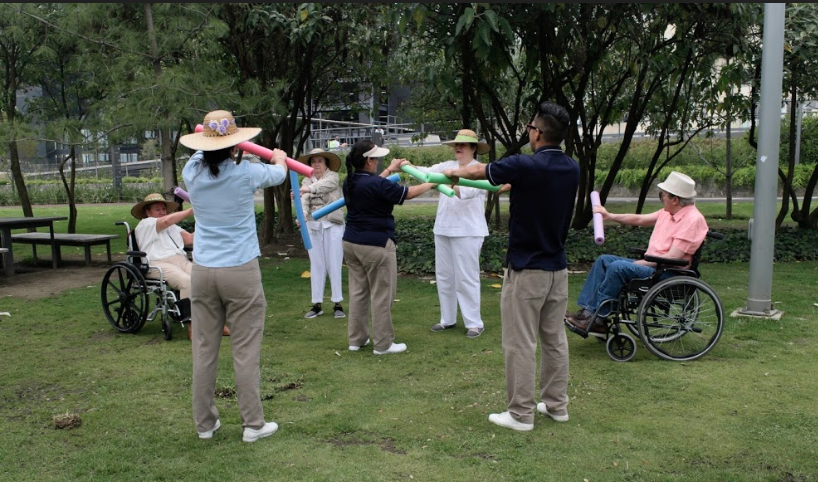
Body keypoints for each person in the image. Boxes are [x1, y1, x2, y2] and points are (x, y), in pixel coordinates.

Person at [443, 101, 579, 431]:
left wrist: (452, 172)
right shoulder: (571, 168)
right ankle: (557, 405)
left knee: (519, 342)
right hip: (557, 270)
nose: (528, 132)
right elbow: (505, 182)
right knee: (554, 339)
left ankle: (520, 414)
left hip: (527, 270)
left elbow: (480, 171)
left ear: (539, 133)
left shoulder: (526, 165)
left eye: (531, 127)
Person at [179, 109, 288, 443]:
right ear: (235, 144)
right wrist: (281, 157)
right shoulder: (247, 172)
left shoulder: (191, 171)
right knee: (244, 349)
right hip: (239, 269)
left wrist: (216, 138)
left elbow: (203, 152)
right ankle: (253, 425)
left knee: (204, 348)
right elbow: (280, 174)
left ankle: (204, 424)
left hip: (203, 270)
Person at [564, 171, 709, 336]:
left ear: (675, 199)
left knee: (617, 267)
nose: (661, 198)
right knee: (604, 260)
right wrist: (610, 216)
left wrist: (643, 263)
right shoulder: (669, 212)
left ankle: (598, 318)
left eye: (663, 196)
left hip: (667, 272)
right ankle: (587, 312)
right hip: (655, 264)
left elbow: (673, 258)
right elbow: (640, 219)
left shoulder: (692, 220)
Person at [342, 139, 435, 355]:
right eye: (376, 158)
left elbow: (375, 185)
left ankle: (356, 340)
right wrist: (433, 182)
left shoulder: (351, 181)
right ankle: (383, 344)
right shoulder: (376, 184)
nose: (378, 162)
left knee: (358, 293)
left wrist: (390, 170)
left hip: (351, 244)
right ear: (370, 161)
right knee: (382, 294)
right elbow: (408, 193)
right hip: (376, 245)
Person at [403, 129, 490, 338]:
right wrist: (407, 165)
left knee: (466, 277)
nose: (458, 148)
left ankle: (474, 323)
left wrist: (441, 181)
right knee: (444, 277)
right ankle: (447, 319)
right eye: (455, 145)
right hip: (443, 228)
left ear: (473, 148)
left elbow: (464, 192)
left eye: (463, 145)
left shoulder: (478, 170)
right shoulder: (446, 166)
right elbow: (425, 171)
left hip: (468, 231)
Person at [131, 193, 218, 341]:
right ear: (147, 212)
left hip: (181, 261)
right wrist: (192, 210)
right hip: (157, 264)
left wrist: (206, 224)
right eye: (157, 209)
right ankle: (192, 326)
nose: (162, 212)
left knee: (207, 277)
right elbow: (164, 221)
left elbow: (190, 239)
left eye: (164, 209)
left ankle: (215, 323)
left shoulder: (172, 227)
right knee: (186, 281)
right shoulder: (145, 224)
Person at [294, 148, 346, 320]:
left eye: (319, 161)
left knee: (334, 263)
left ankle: (338, 303)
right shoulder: (306, 180)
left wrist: (307, 189)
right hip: (313, 226)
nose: (316, 165)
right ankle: (317, 304)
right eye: (313, 161)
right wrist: (301, 215)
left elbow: (325, 186)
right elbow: (303, 201)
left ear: (325, 163)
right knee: (316, 264)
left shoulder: (332, 177)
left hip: (332, 224)